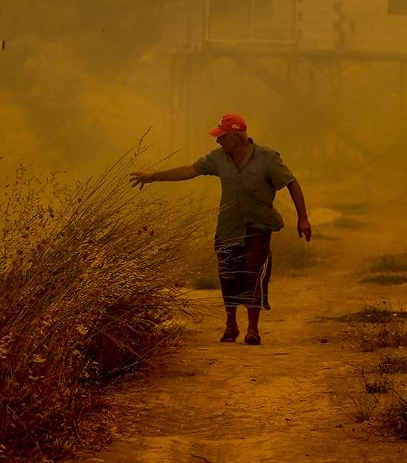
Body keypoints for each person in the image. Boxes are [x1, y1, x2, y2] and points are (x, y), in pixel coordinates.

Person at [129, 113, 311, 346]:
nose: (218, 142)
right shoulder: (219, 158)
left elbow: (291, 183)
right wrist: (154, 177)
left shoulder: (267, 158)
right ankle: (231, 325)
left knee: (252, 274)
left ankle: (253, 328)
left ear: (237, 137)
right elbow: (190, 170)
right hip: (228, 227)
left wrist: (303, 218)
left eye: (222, 137)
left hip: (258, 225)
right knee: (228, 276)